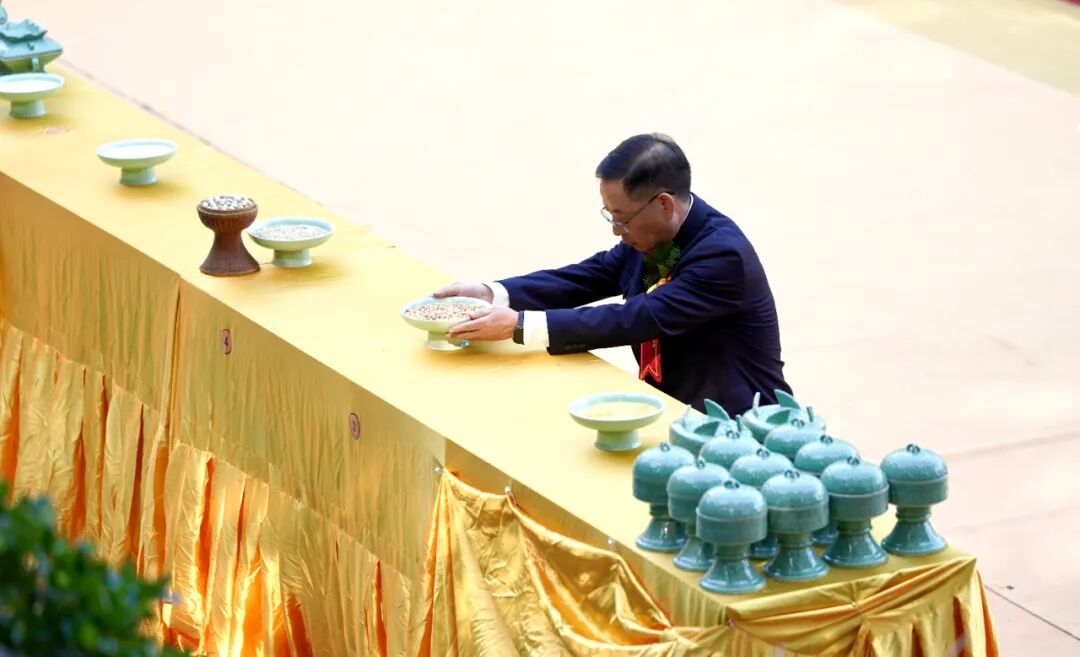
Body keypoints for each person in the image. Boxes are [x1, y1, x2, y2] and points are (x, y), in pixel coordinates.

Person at [434, 133, 791, 414]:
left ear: (664, 203)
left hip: (740, 423)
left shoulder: (723, 257)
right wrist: (493, 293)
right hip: (676, 410)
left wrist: (520, 325)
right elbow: (591, 275)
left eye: (621, 218)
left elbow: (637, 318)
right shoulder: (650, 234)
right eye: (609, 215)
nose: (616, 230)